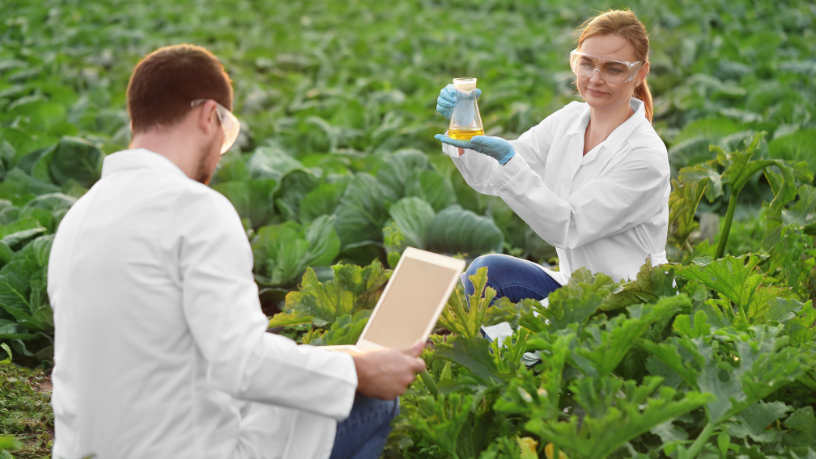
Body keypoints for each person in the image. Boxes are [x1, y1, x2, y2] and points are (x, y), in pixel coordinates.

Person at [47, 44, 425, 459]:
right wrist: (359, 371)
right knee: (373, 401)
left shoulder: (80, 216)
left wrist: (337, 357)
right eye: (227, 137)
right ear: (210, 116)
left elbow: (178, 351)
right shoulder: (194, 207)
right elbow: (241, 364)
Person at [435, 10, 670, 306]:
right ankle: (503, 351)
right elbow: (491, 176)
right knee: (487, 273)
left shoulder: (644, 156)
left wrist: (510, 161)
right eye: (586, 64)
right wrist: (463, 127)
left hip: (627, 303)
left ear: (640, 72)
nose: (595, 79)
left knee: (521, 332)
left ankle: (518, 350)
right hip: (578, 289)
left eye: (613, 69)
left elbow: (569, 227)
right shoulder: (569, 120)